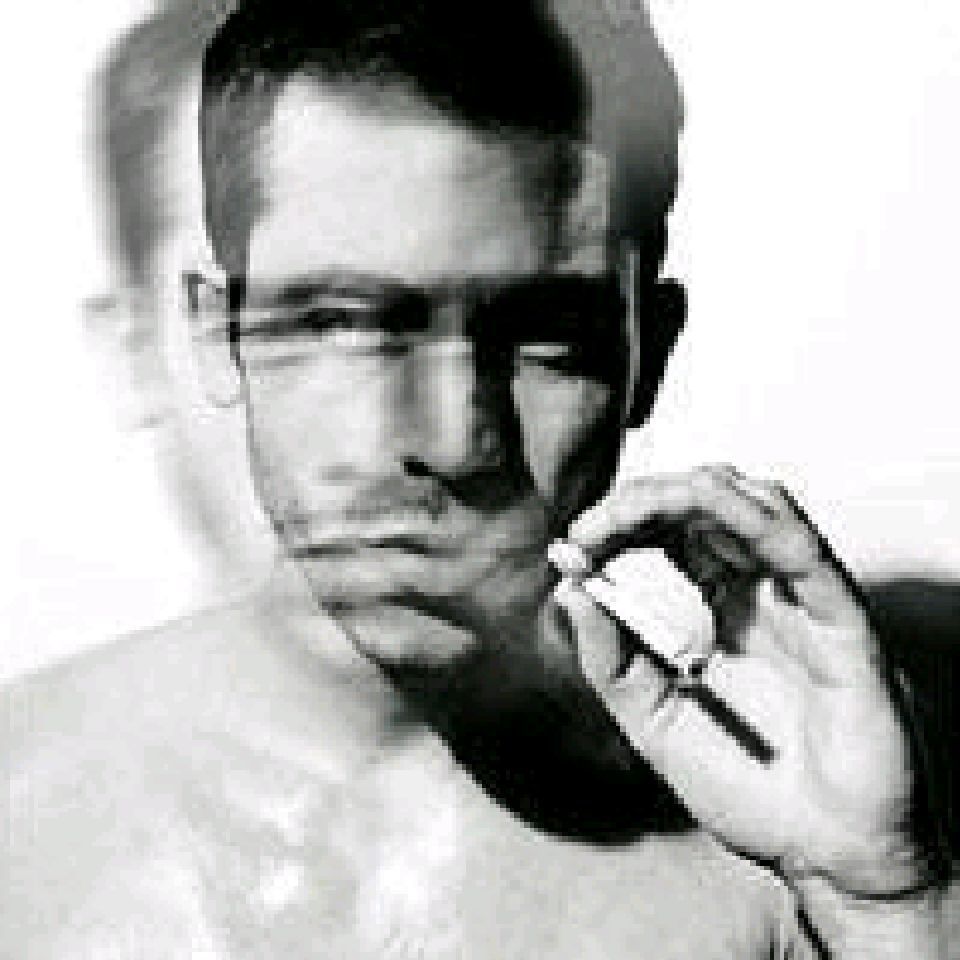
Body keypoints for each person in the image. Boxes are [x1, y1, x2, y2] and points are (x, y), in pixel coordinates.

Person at [2, 1, 950, 956]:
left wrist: (881, 904)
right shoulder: (22, 819)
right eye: (344, 322)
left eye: (547, 335)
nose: (455, 441)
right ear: (216, 332)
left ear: (646, 354)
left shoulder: (787, 840)